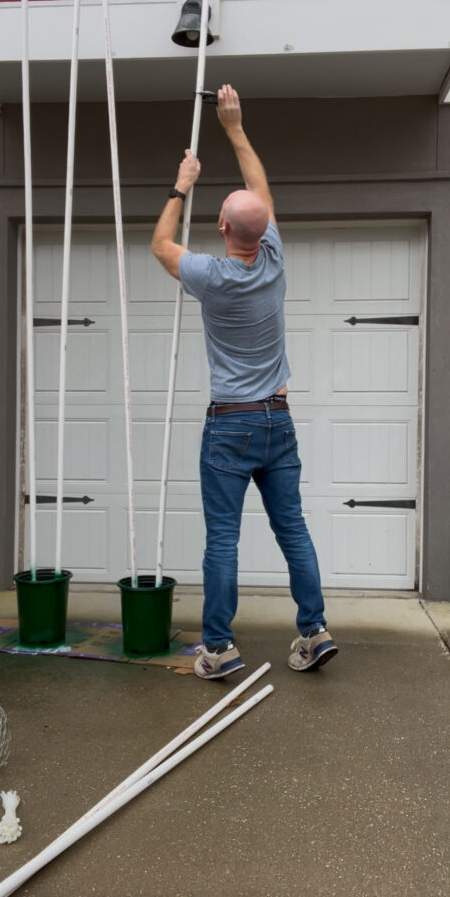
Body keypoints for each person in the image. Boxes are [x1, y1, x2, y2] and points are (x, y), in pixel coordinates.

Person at [151, 84, 337, 679]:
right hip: (276, 420)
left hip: (229, 426)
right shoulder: (274, 257)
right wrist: (234, 127)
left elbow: (159, 243)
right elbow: (261, 191)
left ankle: (219, 647)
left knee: (223, 542)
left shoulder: (210, 275)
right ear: (260, 231)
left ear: (222, 225)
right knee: (294, 530)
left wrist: (183, 179)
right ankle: (313, 632)